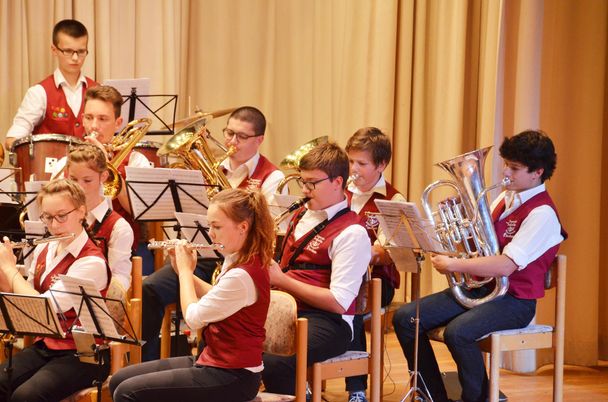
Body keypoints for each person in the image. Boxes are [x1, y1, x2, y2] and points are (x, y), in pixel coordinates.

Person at [392, 130, 567, 402]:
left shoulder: (542, 214)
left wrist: (454, 264)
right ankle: (433, 396)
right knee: (406, 318)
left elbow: (507, 265)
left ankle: (477, 398)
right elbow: (480, 245)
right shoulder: (502, 200)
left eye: (515, 168)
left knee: (458, 333)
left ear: (537, 172)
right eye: (506, 164)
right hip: (484, 290)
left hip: (515, 301)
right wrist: (458, 218)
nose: (506, 173)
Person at [141, 105, 284, 361]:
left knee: (204, 308)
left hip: (239, 261)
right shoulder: (208, 166)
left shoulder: (272, 176)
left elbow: (266, 228)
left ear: (259, 140)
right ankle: (148, 362)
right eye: (229, 133)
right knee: (150, 287)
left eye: (241, 136)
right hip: (206, 254)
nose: (231, 141)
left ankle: (206, 360)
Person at [109, 188, 274, 402]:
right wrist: (181, 270)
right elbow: (218, 297)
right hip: (213, 359)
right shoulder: (235, 258)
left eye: (217, 227)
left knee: (127, 392)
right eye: (209, 226)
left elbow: (194, 317)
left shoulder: (243, 274)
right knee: (118, 379)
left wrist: (187, 272)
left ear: (243, 227)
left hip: (233, 376)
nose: (211, 234)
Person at [262, 142, 371, 396]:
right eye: (303, 182)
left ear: (337, 182)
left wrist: (282, 280)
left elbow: (338, 302)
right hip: (285, 309)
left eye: (312, 183)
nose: (305, 190)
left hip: (328, 323)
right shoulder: (299, 214)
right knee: (226, 336)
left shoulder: (352, 233)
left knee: (277, 362)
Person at [0, 179, 111, 401]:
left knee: (26, 396)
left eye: (62, 216)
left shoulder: (91, 262)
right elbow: (23, 301)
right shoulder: (46, 248)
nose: (54, 225)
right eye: (48, 217)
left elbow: (44, 308)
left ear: (81, 212)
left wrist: (9, 269)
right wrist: (3, 275)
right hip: (47, 347)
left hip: (85, 355)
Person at [344, 127, 406, 402]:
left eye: (361, 164)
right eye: (350, 161)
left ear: (381, 165)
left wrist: (353, 252)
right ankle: (302, 378)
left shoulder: (393, 200)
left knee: (351, 301)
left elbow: (386, 251)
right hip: (335, 275)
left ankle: (356, 389)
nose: (353, 169)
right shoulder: (337, 189)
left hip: (376, 283)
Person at [51, 85, 151, 250]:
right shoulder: (64, 163)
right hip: (69, 246)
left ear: (118, 123)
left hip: (118, 248)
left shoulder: (136, 161)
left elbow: (139, 212)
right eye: (89, 118)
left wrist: (108, 166)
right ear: (82, 119)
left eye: (102, 119)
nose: (94, 126)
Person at [5, 19, 97, 150]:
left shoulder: (97, 90)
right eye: (68, 51)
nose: (75, 58)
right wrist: (15, 142)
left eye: (81, 51)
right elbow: (14, 137)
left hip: (89, 169)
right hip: (49, 168)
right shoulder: (39, 92)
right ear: (54, 50)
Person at [66, 144, 134, 291]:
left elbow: (120, 279)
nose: (79, 187)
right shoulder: (61, 216)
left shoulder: (119, 227)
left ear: (103, 176)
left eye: (87, 180)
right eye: (73, 179)